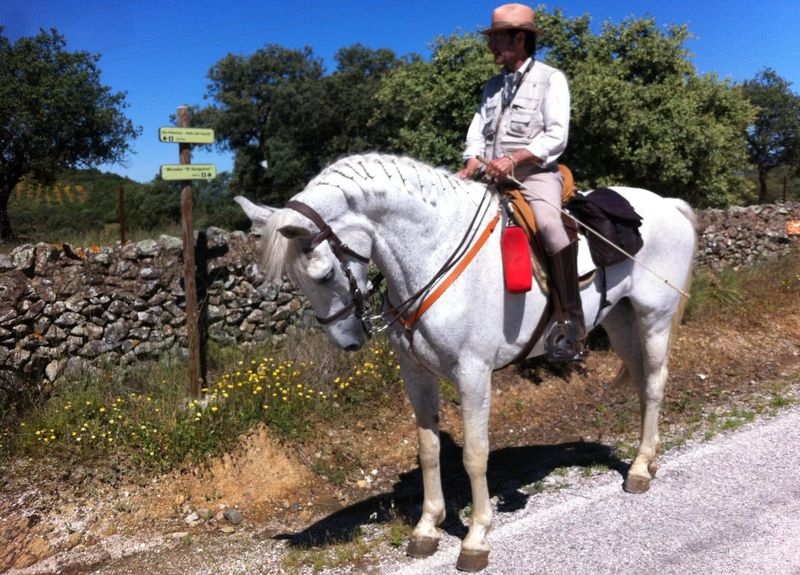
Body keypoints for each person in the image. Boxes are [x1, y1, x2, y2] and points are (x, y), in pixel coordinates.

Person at [457, 3, 584, 361]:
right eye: (492, 38)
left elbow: (556, 136)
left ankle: (571, 325)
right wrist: (471, 161)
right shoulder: (492, 86)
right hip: (491, 177)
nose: (490, 46)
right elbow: (476, 132)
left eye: (497, 38)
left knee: (549, 225)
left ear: (520, 39)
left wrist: (514, 159)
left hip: (535, 175)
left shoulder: (551, 78)